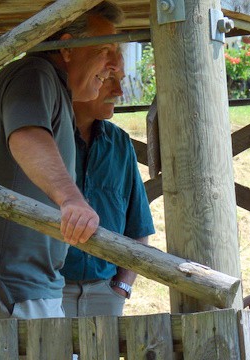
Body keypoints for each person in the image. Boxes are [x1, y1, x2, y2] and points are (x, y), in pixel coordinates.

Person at [0, 2, 123, 321]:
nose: (114, 63)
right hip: (6, 286)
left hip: (4, 284)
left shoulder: (40, 83)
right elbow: (27, 136)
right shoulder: (35, 74)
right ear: (66, 47)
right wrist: (71, 201)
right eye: (106, 49)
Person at [61, 51, 155, 317]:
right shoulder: (43, 139)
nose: (119, 91)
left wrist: (122, 286)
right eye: (107, 78)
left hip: (106, 292)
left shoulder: (121, 144)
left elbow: (138, 226)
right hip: (47, 290)